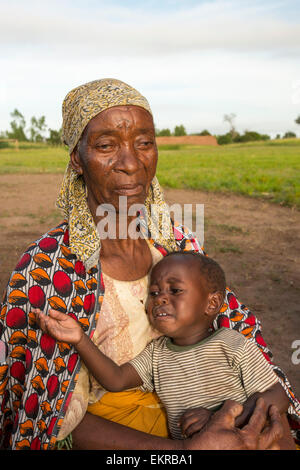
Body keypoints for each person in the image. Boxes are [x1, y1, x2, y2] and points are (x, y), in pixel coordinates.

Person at [0, 78, 298, 451]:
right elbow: (48, 411)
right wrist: (184, 452)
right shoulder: (46, 269)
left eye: (144, 143)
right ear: (77, 158)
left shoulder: (177, 243)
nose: (131, 163)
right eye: (106, 145)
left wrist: (250, 425)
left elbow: (238, 334)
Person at [34, 251, 293, 447]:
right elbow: (114, 379)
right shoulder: (157, 354)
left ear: (212, 303)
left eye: (175, 290)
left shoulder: (231, 344)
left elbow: (278, 394)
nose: (161, 298)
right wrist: (80, 339)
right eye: (154, 292)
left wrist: (224, 422)